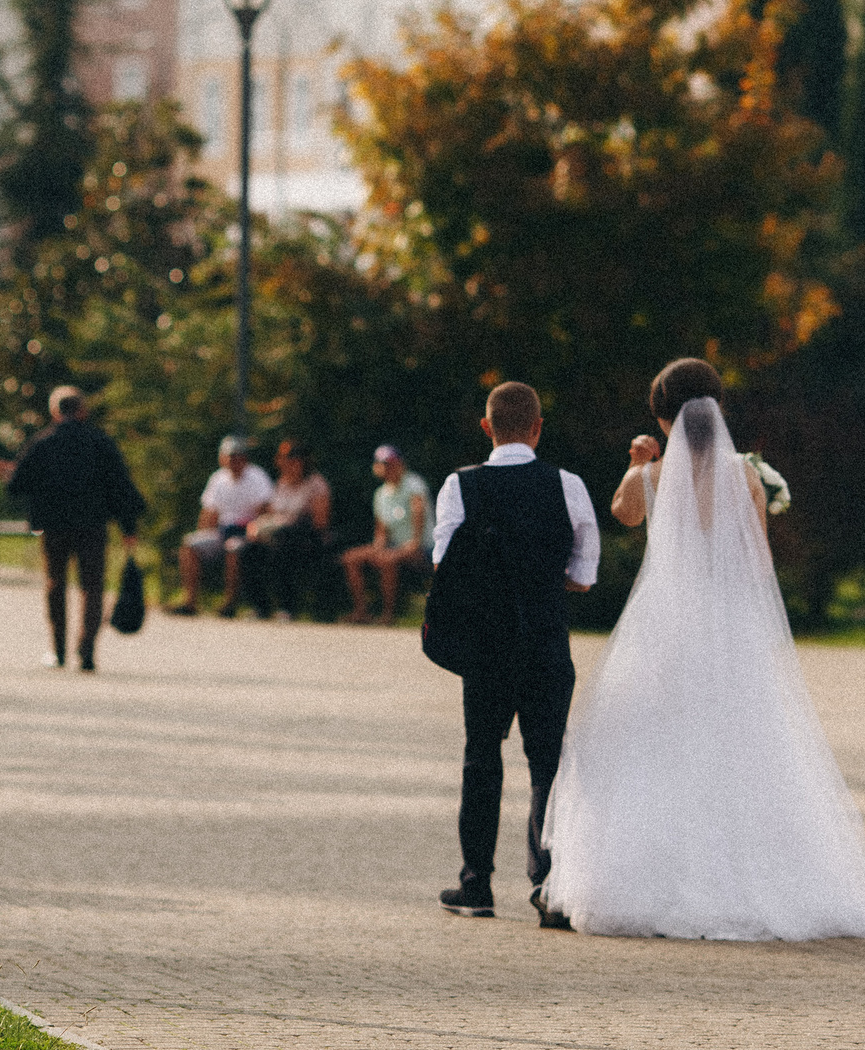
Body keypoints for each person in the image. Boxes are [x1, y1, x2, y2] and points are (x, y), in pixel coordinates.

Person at [540, 357, 865, 941]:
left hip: (665, 623)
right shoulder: (746, 478)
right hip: (729, 623)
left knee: (655, 743)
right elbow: (757, 559)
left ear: (662, 419)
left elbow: (621, 514)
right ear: (719, 411)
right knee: (740, 744)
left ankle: (649, 876)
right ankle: (748, 875)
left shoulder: (650, 478)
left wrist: (637, 465)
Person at [431, 381, 598, 921]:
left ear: (486, 427)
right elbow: (584, 575)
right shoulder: (566, 485)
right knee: (546, 762)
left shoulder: (459, 486)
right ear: (538, 427)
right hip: (547, 640)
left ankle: (476, 883)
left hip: (486, 644)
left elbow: (443, 566)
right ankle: (549, 887)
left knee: (481, 758)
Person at [0, 385, 147, 672]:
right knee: (92, 586)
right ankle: (86, 648)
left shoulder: (43, 442)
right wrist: (128, 526)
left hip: (54, 527)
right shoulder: (100, 442)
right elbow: (120, 487)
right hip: (92, 525)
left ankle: (58, 649)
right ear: (82, 410)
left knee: (55, 584)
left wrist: (12, 475)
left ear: (54, 411)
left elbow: (17, 487)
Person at [176, 436, 272, 616]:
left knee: (233, 548)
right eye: (229, 456)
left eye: (237, 456)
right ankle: (190, 602)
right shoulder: (218, 479)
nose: (233, 460)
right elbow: (209, 512)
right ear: (222, 458)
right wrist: (202, 534)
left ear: (245, 458)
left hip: (247, 532)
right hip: (222, 531)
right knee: (190, 545)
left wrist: (257, 530)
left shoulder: (257, 477)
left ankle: (229, 604)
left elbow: (264, 511)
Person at [238, 437, 332, 619]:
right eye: (284, 459)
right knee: (249, 549)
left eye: (291, 459)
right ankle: (260, 606)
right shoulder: (281, 484)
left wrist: (287, 525)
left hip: (307, 538)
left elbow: (320, 522)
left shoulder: (316, 484)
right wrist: (257, 526)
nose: (286, 463)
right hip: (279, 534)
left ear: (302, 461)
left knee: (283, 543)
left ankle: (287, 607)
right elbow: (271, 514)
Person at [343, 445, 432, 624]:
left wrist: (409, 546)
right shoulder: (381, 494)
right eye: (383, 464)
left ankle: (387, 615)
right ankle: (362, 612)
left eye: (392, 463)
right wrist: (377, 548)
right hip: (396, 547)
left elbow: (418, 519)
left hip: (422, 546)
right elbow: (381, 533)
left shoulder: (413, 484)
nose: (388, 468)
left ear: (400, 464)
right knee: (351, 558)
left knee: (387, 560)